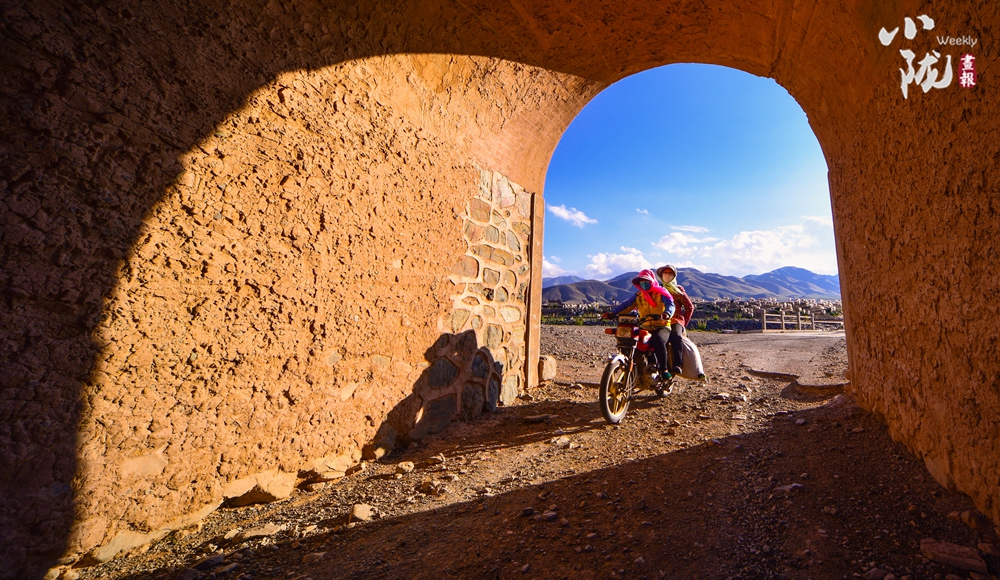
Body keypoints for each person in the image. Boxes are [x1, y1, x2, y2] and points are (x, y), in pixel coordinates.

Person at [604, 269, 676, 379]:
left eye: (646, 281)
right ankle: (634, 369)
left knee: (658, 340)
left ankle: (663, 369)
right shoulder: (639, 295)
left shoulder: (661, 293)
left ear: (652, 281)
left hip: (661, 326)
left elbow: (670, 305)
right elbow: (627, 305)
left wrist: (666, 314)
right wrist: (612, 313)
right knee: (630, 341)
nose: (644, 284)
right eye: (641, 281)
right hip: (644, 325)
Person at [655, 264, 699, 379]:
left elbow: (689, 307)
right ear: (661, 275)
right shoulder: (657, 289)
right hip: (660, 320)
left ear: (674, 276)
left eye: (670, 274)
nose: (667, 275)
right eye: (665, 273)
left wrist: (683, 323)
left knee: (675, 336)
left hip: (675, 320)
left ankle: (677, 364)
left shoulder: (678, 290)